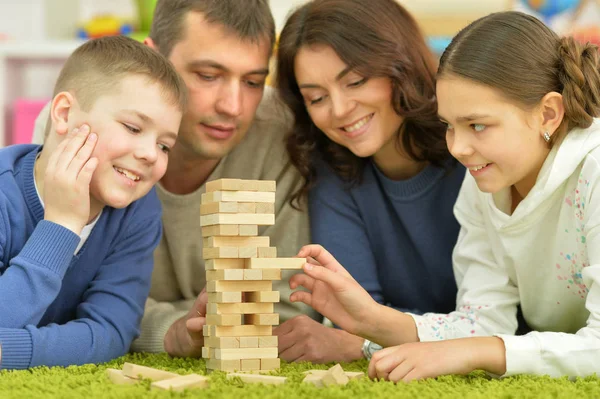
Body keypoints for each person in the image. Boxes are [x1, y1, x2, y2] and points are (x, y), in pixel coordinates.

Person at [286, 10, 600, 382]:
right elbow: (481, 321)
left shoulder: (593, 172)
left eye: (477, 125)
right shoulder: (487, 177)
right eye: (450, 126)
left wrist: (476, 351)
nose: (458, 148)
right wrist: (370, 319)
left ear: (548, 113)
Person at [31, 0, 318, 358]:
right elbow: (57, 294)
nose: (233, 106)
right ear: (154, 59)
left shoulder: (284, 134)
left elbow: (282, 310)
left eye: (253, 82)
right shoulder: (78, 126)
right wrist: (170, 330)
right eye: (208, 76)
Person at [272, 0, 464, 363]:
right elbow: (359, 317)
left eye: (356, 81)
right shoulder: (332, 172)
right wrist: (366, 337)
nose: (340, 109)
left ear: (400, 65)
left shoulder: (471, 153)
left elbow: (500, 320)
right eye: (317, 97)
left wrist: (365, 342)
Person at [0, 35, 185, 369]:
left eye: (164, 146)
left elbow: (112, 333)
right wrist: (61, 225)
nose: (148, 153)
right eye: (132, 127)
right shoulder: (3, 195)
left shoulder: (137, 211)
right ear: (64, 113)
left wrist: (11, 350)